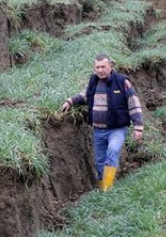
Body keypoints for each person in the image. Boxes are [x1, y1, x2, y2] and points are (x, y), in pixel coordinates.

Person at [60, 53, 144, 191]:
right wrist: (70, 101)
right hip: (98, 131)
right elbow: (85, 95)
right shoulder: (94, 81)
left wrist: (138, 127)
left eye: (103, 67)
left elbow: (133, 104)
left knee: (112, 151)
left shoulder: (122, 82)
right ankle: (102, 188)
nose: (100, 70)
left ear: (111, 66)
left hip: (117, 129)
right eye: (97, 67)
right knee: (99, 163)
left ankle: (107, 188)